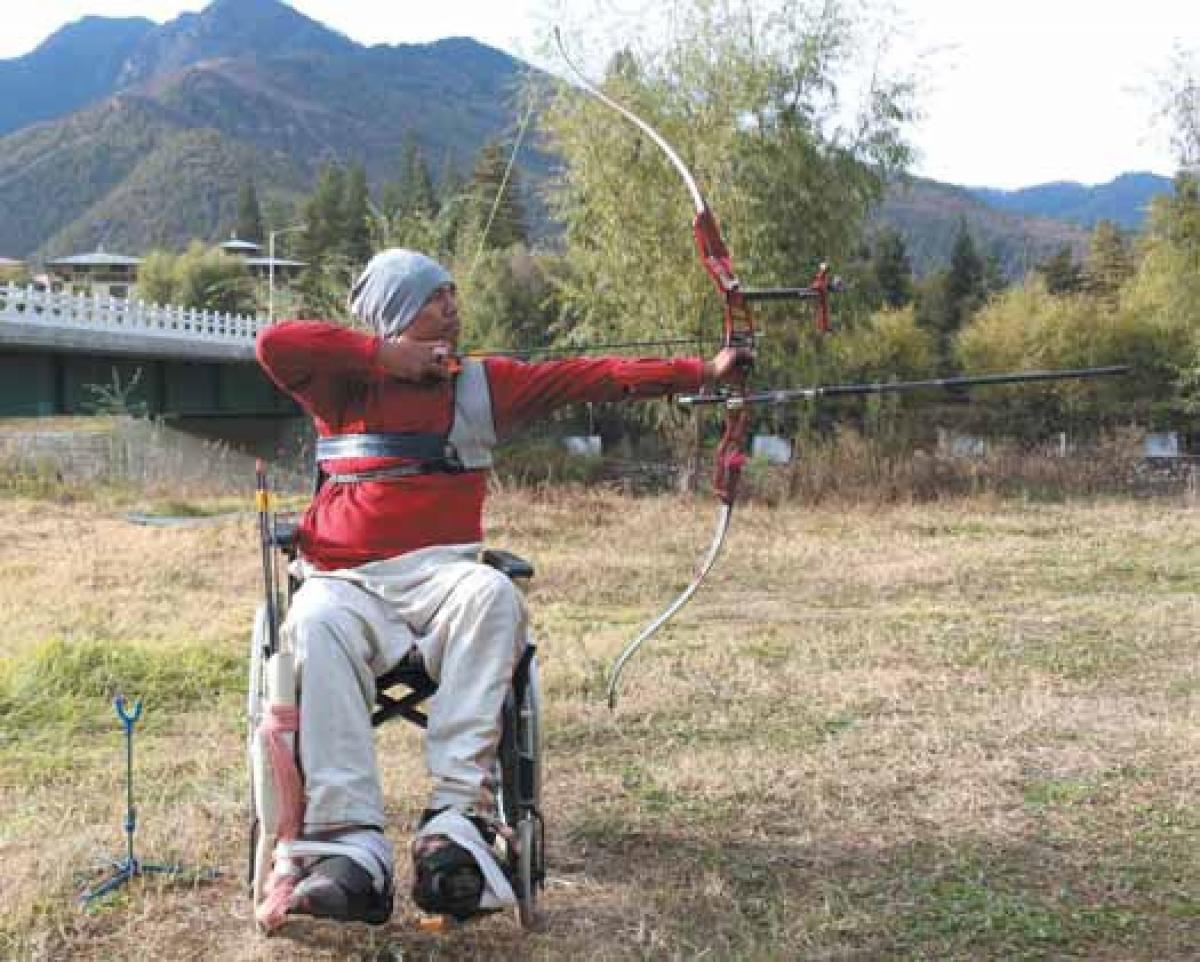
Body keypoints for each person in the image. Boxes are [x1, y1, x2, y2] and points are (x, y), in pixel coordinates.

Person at [254, 248, 747, 926]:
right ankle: (350, 849)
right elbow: (274, 343)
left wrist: (701, 370)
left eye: (453, 293)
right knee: (312, 620)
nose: (453, 306)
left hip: (445, 579)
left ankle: (454, 826)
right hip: (347, 583)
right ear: (398, 313)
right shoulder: (340, 384)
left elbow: (591, 376)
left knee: (494, 596)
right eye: (436, 296)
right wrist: (384, 359)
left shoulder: (483, 385)